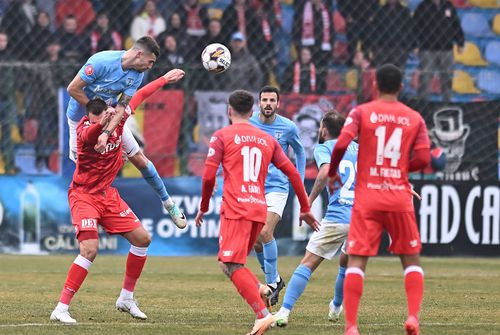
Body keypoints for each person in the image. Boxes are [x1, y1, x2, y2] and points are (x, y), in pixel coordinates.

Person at [50, 70, 185, 323]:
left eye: (101, 116)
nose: (96, 121)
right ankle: (61, 308)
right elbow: (91, 134)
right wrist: (101, 127)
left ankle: (126, 297)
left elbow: (141, 94)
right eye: (93, 118)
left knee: (143, 239)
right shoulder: (84, 132)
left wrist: (165, 79)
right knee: (89, 250)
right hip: (84, 196)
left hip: (107, 196)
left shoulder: (119, 120)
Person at [194, 90, 320, 335]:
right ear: (253, 111)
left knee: (229, 264)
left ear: (229, 111)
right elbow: (294, 173)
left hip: (236, 207)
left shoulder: (221, 136)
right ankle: (264, 289)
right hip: (258, 205)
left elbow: (209, 176)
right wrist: (305, 207)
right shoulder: (266, 139)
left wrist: (203, 206)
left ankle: (263, 314)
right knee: (233, 262)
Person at [327, 64, 431, 335]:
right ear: (400, 87)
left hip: (368, 199)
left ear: (374, 84)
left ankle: (351, 326)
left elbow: (339, 144)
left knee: (357, 261)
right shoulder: (414, 118)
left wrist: (331, 174)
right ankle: (412, 318)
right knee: (411, 260)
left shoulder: (362, 112)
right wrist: (399, 170)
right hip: (398, 198)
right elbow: (423, 159)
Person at [65, 36, 187, 229]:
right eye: (150, 62)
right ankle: (87, 218)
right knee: (86, 168)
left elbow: (123, 106)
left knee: (139, 158)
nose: (150, 67)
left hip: (109, 118)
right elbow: (73, 89)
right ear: (139, 54)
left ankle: (168, 203)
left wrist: (106, 131)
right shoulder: (101, 62)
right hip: (81, 119)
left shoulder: (136, 74)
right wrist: (97, 111)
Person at [274, 111, 358, 327]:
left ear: (323, 129)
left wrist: (308, 202)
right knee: (346, 263)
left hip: (338, 215)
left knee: (308, 263)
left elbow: (324, 173)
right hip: (361, 219)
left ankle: (284, 312)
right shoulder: (359, 148)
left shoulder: (325, 147)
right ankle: (336, 307)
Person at [249, 85, 306, 306]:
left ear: (278, 104)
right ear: (259, 103)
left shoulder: (288, 127)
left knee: (264, 231)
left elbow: (300, 152)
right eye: (265, 100)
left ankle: (271, 284)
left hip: (278, 187)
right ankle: (277, 280)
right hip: (254, 188)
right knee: (255, 240)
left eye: (272, 100)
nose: (268, 104)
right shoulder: (250, 123)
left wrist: (298, 179)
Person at [413, 0, 464, 102]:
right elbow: (414, 27)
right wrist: (414, 44)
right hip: (427, 49)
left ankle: (447, 104)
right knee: (425, 78)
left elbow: (455, 24)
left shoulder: (448, 5)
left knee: (447, 78)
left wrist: (460, 42)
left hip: (447, 49)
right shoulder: (422, 7)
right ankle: (423, 104)